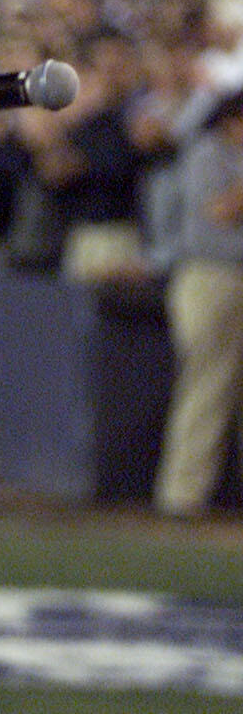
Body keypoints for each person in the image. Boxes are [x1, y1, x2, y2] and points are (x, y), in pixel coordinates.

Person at [155, 84, 243, 518]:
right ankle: (182, 495)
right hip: (210, 276)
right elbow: (220, 212)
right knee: (207, 381)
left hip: (229, 276)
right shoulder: (209, 153)